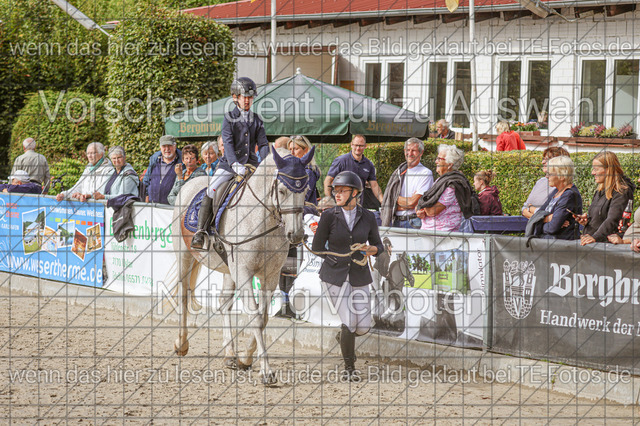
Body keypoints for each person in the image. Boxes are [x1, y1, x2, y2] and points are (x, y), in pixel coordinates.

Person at [311, 171, 383, 381]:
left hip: (359, 273)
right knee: (350, 321)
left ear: (355, 193)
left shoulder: (368, 217)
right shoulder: (328, 216)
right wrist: (338, 256)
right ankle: (349, 368)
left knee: (363, 326)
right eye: (336, 190)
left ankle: (344, 337)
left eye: (342, 191)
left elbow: (378, 245)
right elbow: (317, 247)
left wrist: (371, 250)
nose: (337, 194)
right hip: (334, 275)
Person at [191, 77, 269, 251]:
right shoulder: (229, 118)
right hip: (230, 165)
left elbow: (263, 144)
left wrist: (265, 163)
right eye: (244, 97)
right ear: (235, 97)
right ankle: (201, 231)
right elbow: (227, 143)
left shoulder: (257, 119)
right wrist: (234, 164)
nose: (247, 100)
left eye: (250, 97)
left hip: (251, 165)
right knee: (211, 189)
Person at [573, 152, 635, 246]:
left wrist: (595, 237)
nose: (592, 172)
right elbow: (601, 217)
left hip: (607, 246)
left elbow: (612, 220)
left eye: (596, 169)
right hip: (593, 244)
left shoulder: (621, 192)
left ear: (609, 170)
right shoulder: (600, 190)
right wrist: (587, 221)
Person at [416, 144, 476, 232]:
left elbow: (432, 211)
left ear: (449, 165)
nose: (436, 161)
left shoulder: (453, 185)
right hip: (430, 232)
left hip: (442, 234)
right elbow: (423, 204)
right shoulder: (441, 181)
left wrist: (422, 208)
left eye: (439, 159)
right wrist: (419, 210)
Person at [324, 135, 383, 220]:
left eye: (361, 146)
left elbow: (374, 185)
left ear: (365, 146)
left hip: (358, 208)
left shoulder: (368, 164)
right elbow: (328, 180)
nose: (358, 148)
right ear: (351, 145)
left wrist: (383, 201)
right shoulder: (341, 161)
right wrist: (329, 200)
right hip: (340, 208)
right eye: (356, 145)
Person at [380, 138, 434, 228]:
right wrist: (404, 203)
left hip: (413, 223)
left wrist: (394, 198)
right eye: (407, 150)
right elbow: (388, 202)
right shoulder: (399, 172)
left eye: (414, 150)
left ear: (421, 153)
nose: (410, 153)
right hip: (395, 222)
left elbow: (412, 203)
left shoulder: (425, 173)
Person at [529, 156, 583, 240]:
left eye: (550, 174)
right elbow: (538, 215)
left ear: (562, 176)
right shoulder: (556, 192)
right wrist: (548, 218)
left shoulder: (569, 195)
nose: (546, 176)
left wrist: (539, 223)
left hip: (561, 245)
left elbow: (552, 228)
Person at [522, 147, 570, 219]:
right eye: (543, 159)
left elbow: (553, 215)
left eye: (547, 160)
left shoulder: (563, 187)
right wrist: (544, 219)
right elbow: (524, 208)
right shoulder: (541, 182)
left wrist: (531, 209)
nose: (543, 162)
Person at [144, 135, 182, 204]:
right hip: (153, 205)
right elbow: (146, 180)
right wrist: (146, 196)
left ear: (175, 146)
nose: (167, 149)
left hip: (171, 207)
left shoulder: (182, 163)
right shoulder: (154, 160)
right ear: (160, 147)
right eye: (164, 146)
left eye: (169, 146)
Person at [288, 135, 321, 213]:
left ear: (305, 150)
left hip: (305, 215)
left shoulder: (308, 172)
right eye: (290, 149)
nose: (292, 153)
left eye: (295, 149)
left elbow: (302, 199)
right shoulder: (293, 171)